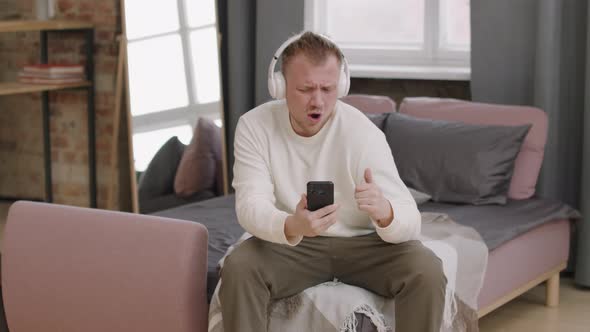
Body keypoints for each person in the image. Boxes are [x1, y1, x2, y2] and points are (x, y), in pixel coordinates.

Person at [219, 31, 446, 332]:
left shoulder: (362, 133)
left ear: (341, 86)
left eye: (327, 89)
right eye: (305, 89)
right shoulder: (254, 126)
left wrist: (385, 211)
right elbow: (250, 205)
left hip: (364, 245)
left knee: (426, 269)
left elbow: (410, 220)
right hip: (295, 244)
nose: (318, 101)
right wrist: (292, 225)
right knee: (240, 267)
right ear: (280, 86)